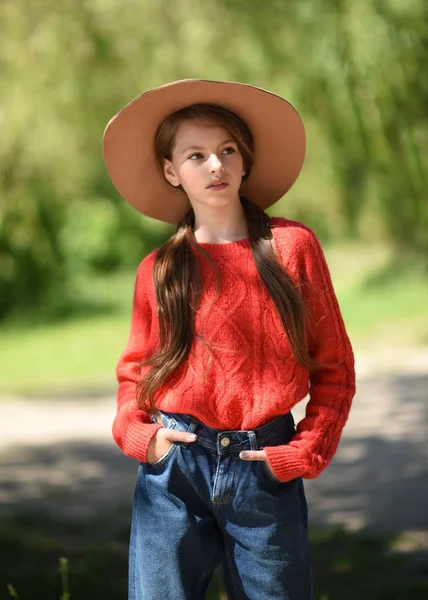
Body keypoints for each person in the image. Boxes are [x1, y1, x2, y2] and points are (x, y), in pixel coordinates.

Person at [103, 79, 356, 600]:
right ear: (172, 171)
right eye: (195, 155)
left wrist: (305, 450)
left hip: (263, 467)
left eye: (226, 150)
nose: (215, 165)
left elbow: (334, 368)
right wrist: (141, 438)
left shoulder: (292, 248)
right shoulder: (160, 270)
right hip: (175, 467)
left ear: (245, 161)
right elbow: (135, 374)